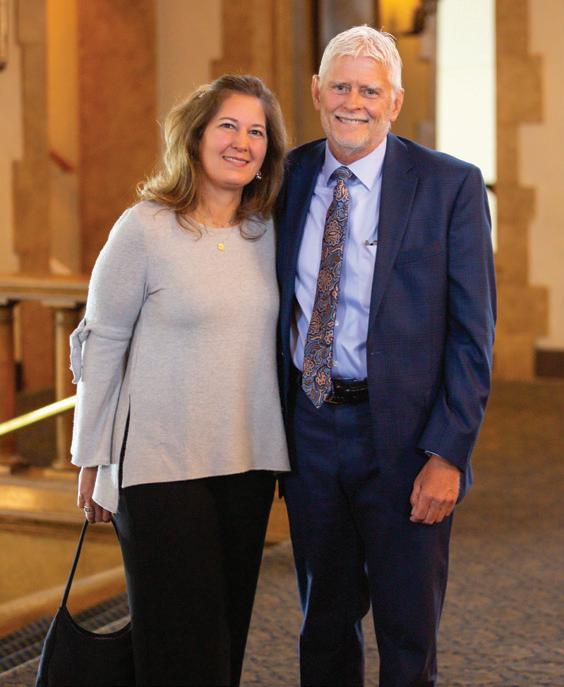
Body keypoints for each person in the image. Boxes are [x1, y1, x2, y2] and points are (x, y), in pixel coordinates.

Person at [275, 26, 496, 687]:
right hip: (310, 430)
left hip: (406, 441)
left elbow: (473, 335)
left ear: (395, 101)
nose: (354, 103)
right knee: (323, 624)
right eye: (340, 87)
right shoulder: (284, 178)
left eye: (370, 91)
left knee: (407, 634)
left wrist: (448, 454)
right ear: (317, 91)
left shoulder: (450, 185)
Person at [70, 74, 290, 686]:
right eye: (228, 126)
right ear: (194, 137)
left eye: (257, 132)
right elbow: (102, 344)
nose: (242, 142)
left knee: (225, 638)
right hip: (159, 468)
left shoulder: (269, 232)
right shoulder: (144, 228)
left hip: (248, 464)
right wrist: (91, 457)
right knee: (177, 645)